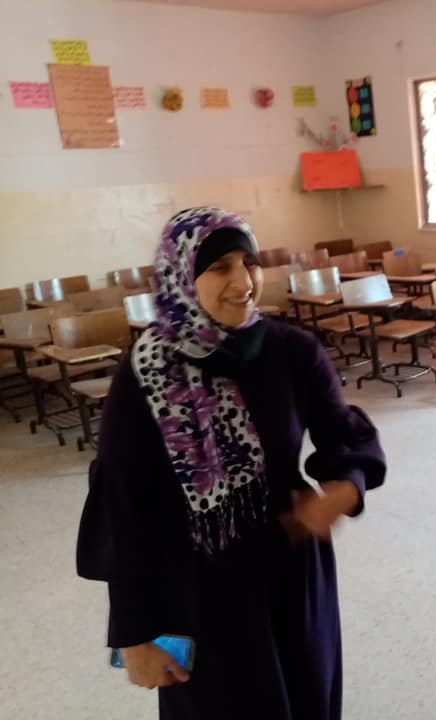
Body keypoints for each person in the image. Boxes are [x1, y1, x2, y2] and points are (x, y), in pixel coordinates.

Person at [77, 207, 386, 719]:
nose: (243, 282)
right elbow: (124, 506)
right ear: (182, 277)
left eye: (250, 263)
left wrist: (345, 485)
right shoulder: (146, 373)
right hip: (197, 586)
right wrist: (134, 633)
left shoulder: (292, 351)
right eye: (220, 267)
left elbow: (344, 434)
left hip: (291, 569)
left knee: (306, 696)